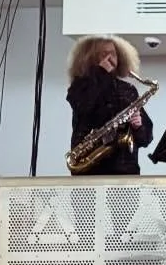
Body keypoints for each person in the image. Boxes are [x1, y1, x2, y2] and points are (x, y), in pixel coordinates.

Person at [65, 35, 153, 174]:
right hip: (90, 170)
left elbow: (146, 139)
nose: (110, 58)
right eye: (104, 54)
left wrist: (138, 126)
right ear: (91, 58)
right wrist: (100, 72)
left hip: (125, 172)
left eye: (113, 53)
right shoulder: (80, 86)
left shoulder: (128, 89)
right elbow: (83, 105)